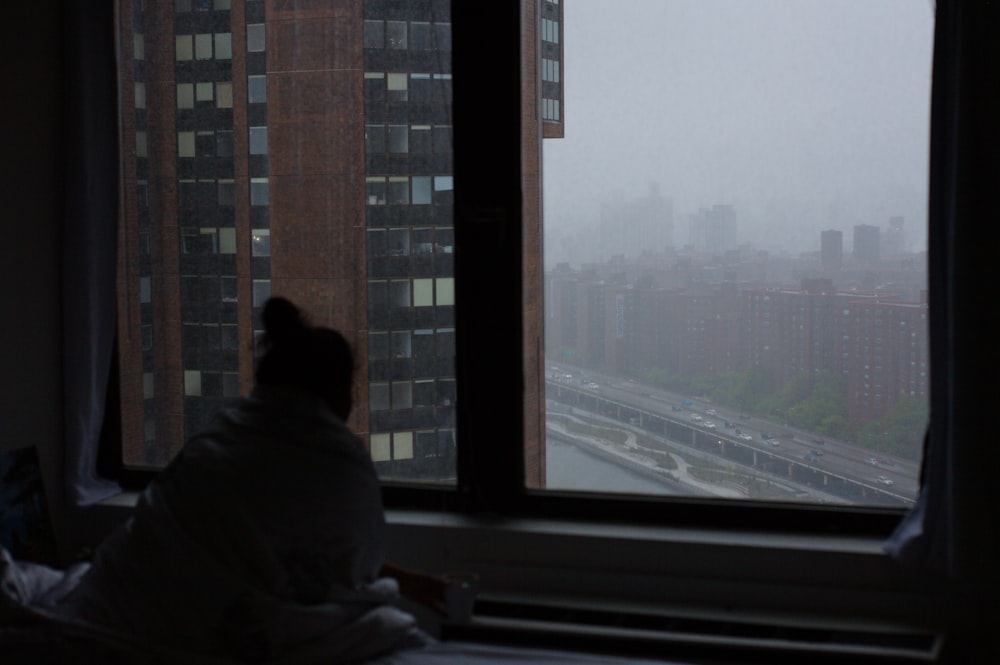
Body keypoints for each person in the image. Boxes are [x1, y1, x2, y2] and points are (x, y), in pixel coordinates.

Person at [51, 297, 444, 662]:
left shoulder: (215, 447)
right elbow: (330, 573)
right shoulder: (335, 468)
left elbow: (244, 549)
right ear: (339, 391)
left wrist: (408, 580)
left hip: (123, 604)